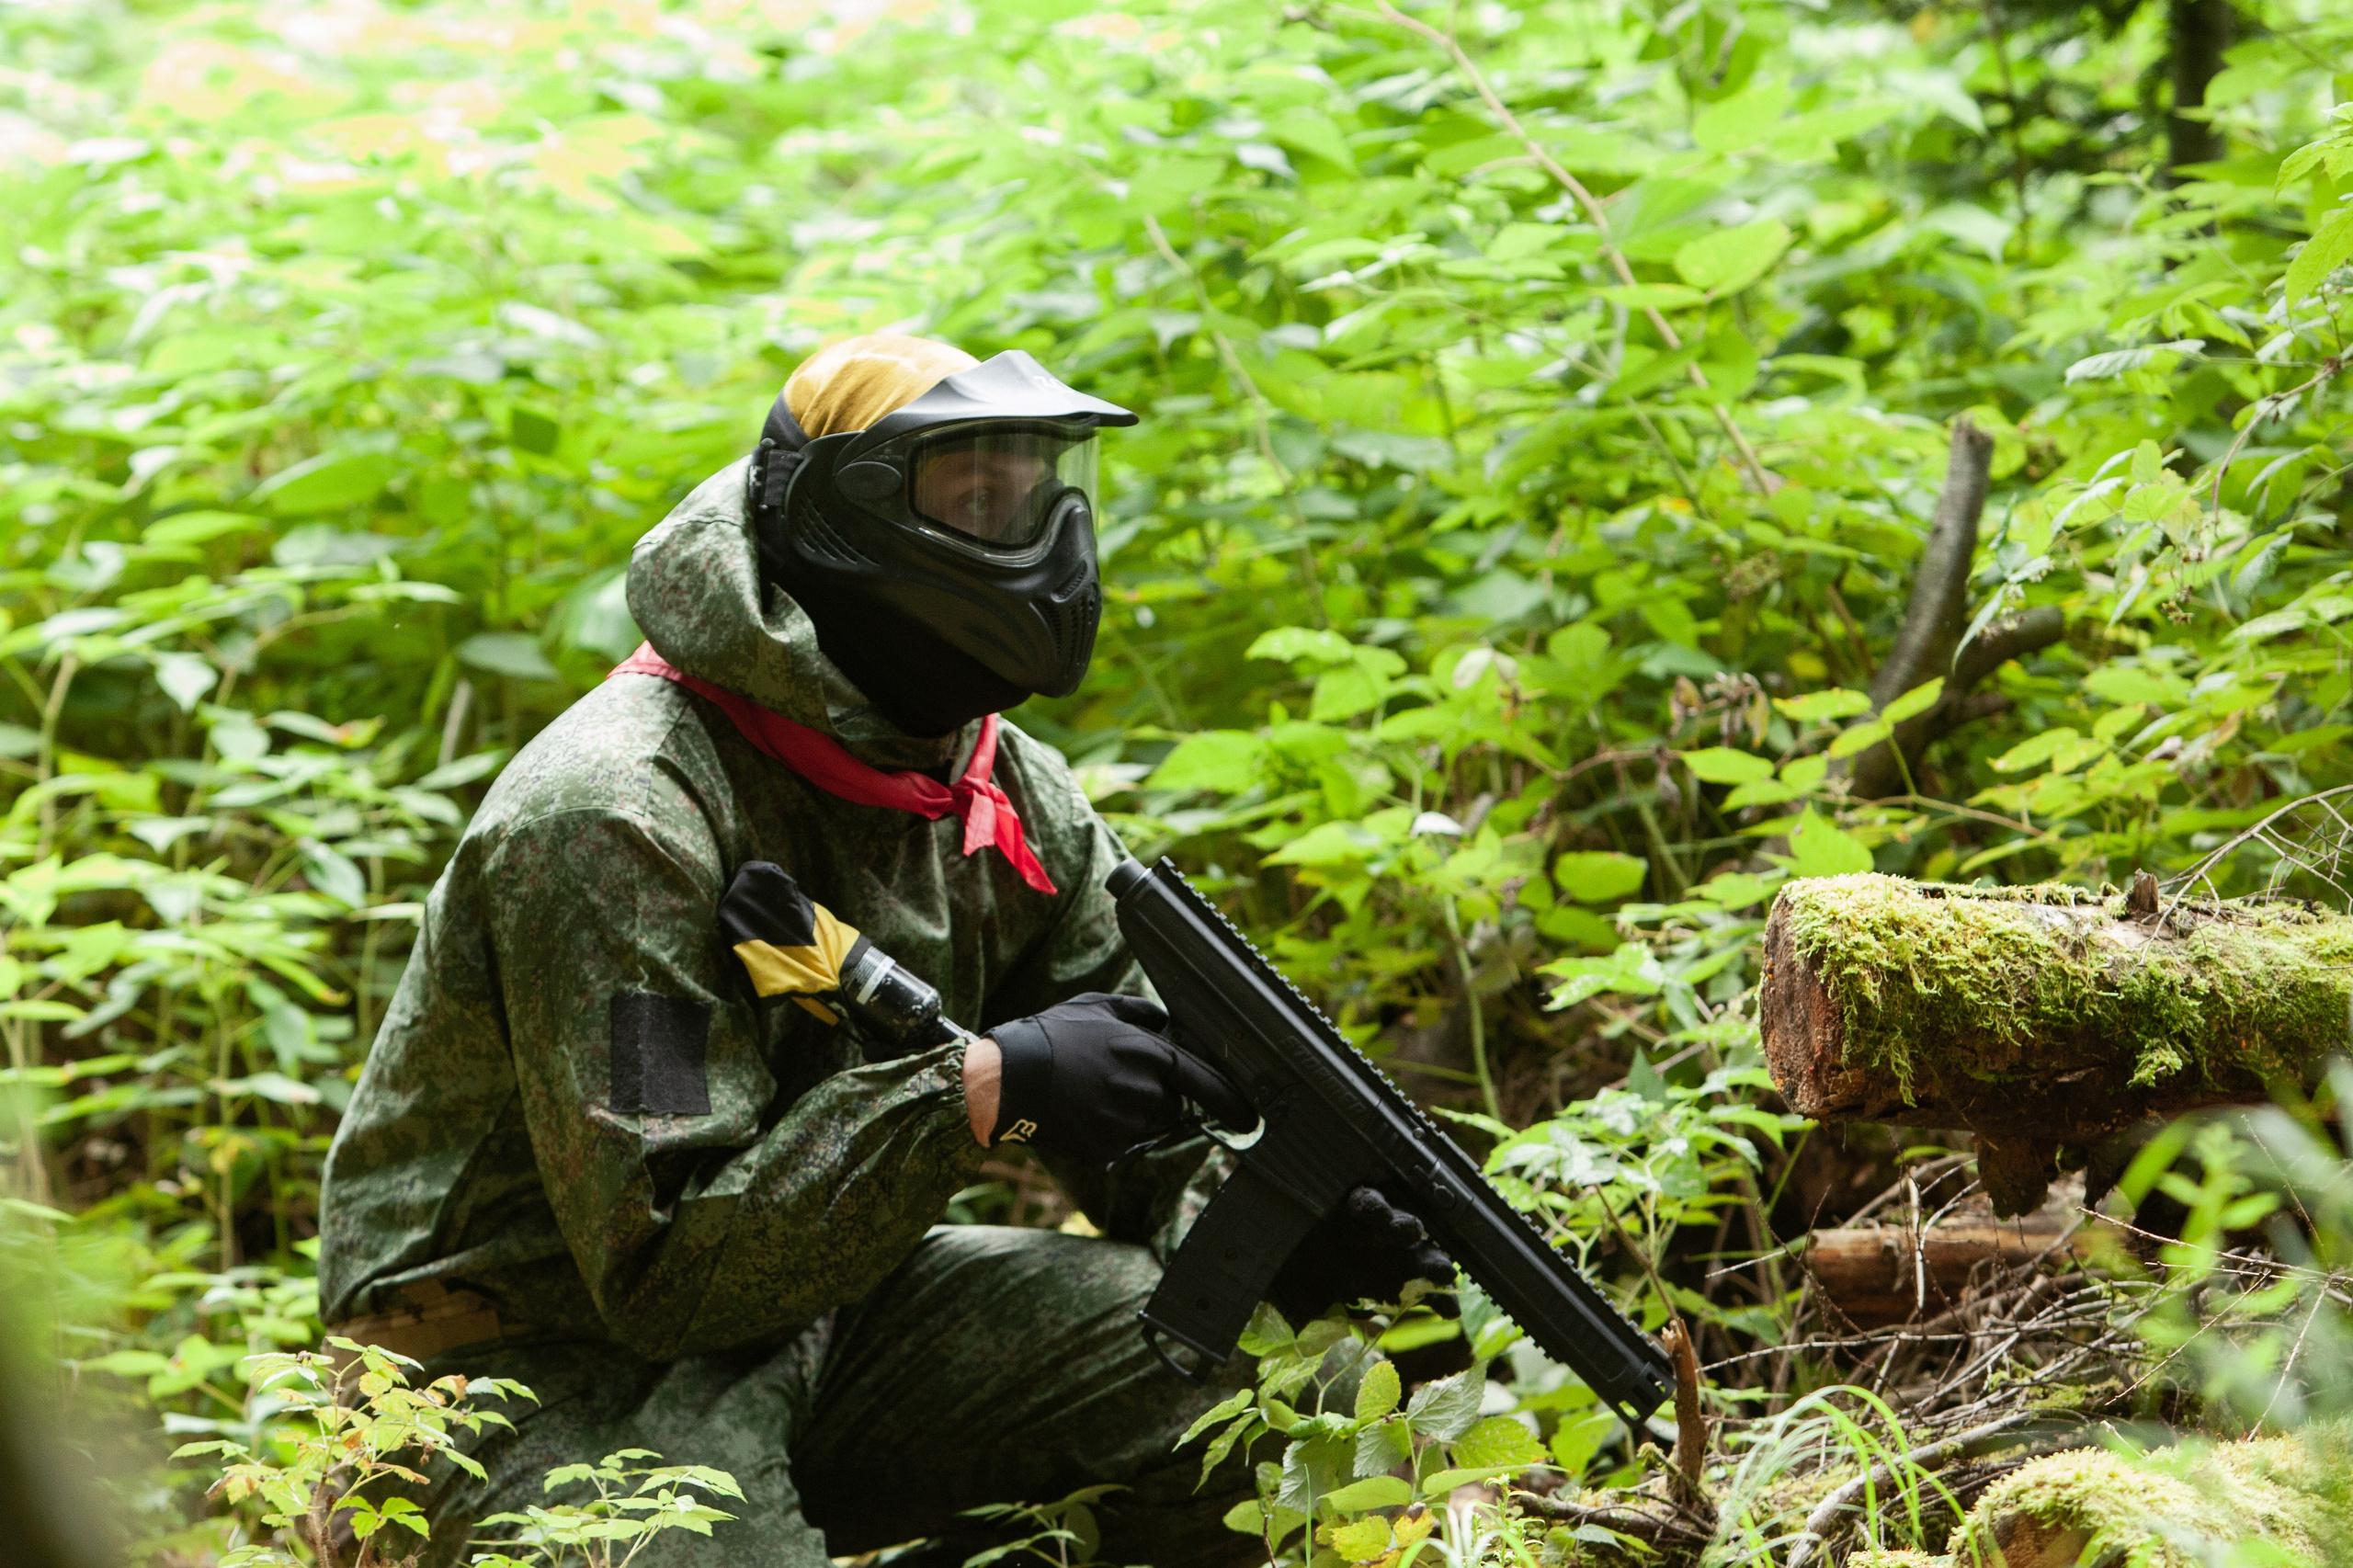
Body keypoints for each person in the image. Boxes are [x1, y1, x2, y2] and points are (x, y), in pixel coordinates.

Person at [316, 334, 1445, 1568]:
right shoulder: (619, 815)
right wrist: (976, 1091)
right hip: (516, 1370)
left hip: (829, 1315)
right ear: (844, 522)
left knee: (1276, 1396)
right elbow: (666, 1276)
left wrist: (1279, 1223)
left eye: (1039, 492)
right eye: (977, 499)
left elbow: (1151, 1127)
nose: (1040, 542)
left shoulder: (1000, 792)